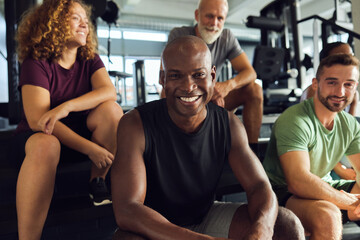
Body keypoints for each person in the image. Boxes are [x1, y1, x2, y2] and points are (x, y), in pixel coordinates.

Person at [111, 36, 304, 240]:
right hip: (156, 226)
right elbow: (128, 209)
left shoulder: (229, 124)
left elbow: (259, 186)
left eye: (198, 75)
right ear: (162, 78)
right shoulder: (135, 124)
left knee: (284, 225)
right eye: (176, 76)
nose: (188, 86)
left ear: (212, 75)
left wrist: (261, 230)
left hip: (205, 216)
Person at [13, 0, 123, 239]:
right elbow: (38, 121)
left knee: (112, 110)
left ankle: (98, 184)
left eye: (85, 19)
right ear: (53, 23)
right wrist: (91, 148)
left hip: (81, 132)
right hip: (43, 138)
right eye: (75, 18)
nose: (85, 23)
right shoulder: (35, 63)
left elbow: (109, 92)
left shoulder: (90, 58)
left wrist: (66, 107)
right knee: (46, 143)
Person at [263, 53, 360, 239]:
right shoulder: (295, 120)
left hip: (324, 186)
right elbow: (298, 182)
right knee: (328, 215)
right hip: (281, 193)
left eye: (348, 84)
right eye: (332, 82)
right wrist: (349, 203)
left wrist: (354, 203)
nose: (340, 92)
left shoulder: (350, 124)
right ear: (316, 84)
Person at [161, 0, 262, 152]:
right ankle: (170, 148)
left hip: (212, 96)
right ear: (197, 15)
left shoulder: (226, 37)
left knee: (254, 89)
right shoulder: (179, 35)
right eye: (209, 16)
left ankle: (253, 153)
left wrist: (227, 86)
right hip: (186, 97)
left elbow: (251, 73)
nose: (214, 23)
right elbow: (165, 79)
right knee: (165, 94)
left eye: (220, 18)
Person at [300, 42, 358, 180]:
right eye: (341, 56)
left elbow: (349, 132)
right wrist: (341, 169)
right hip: (319, 150)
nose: (347, 59)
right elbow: (316, 141)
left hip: (340, 146)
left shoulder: (352, 92)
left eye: (350, 55)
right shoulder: (314, 91)